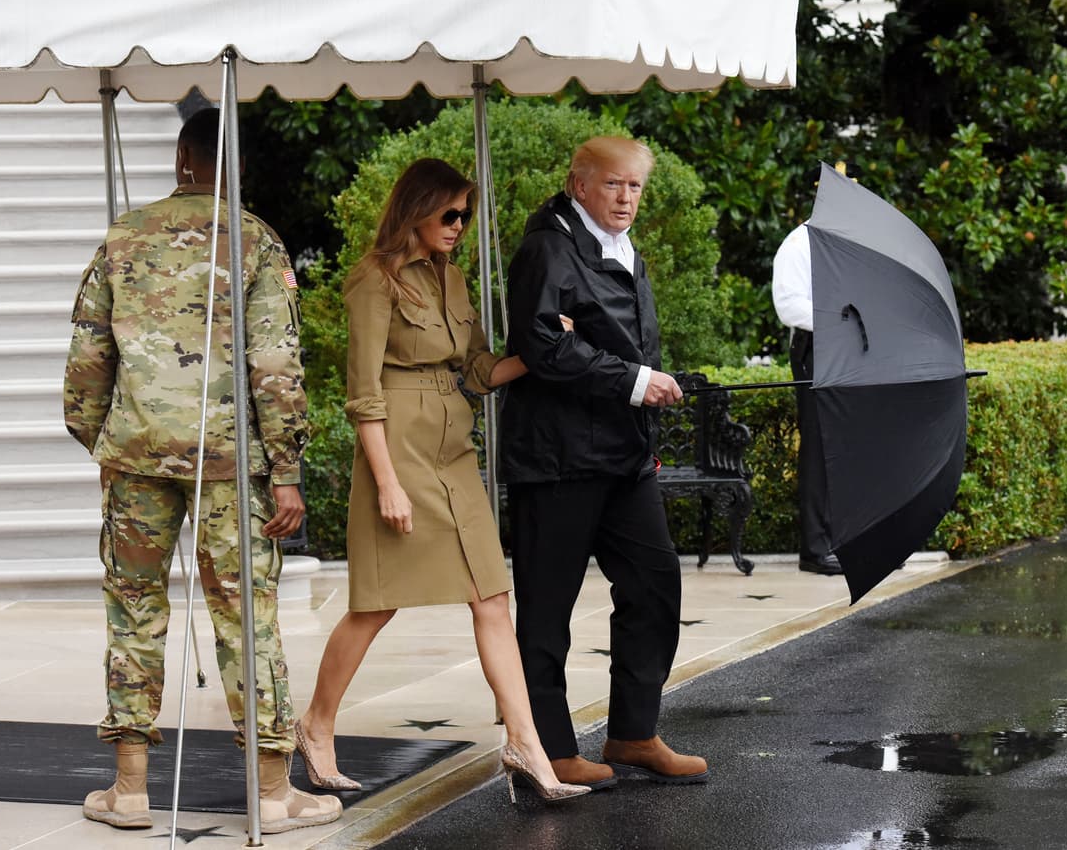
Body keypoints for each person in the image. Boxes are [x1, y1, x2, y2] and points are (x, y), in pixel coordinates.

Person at [62, 108, 342, 834]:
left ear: (183, 157)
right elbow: (275, 366)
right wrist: (285, 467)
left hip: (136, 455)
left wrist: (102, 438)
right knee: (247, 617)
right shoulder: (254, 240)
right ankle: (274, 794)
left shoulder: (124, 235)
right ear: (235, 165)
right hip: (229, 462)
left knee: (133, 612)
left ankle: (128, 790)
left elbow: (89, 358)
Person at [293, 158, 588, 804]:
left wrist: (545, 348)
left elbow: (479, 370)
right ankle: (315, 726)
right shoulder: (374, 281)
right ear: (415, 210)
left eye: (464, 215)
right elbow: (363, 396)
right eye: (448, 214)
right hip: (396, 449)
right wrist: (387, 483)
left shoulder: (454, 281)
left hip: (453, 450)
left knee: (492, 597)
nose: (458, 226)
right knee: (375, 604)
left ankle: (525, 743)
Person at [500, 136, 710, 788]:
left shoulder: (622, 249)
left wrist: (636, 381)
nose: (625, 198)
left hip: (622, 454)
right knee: (547, 610)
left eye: (635, 187)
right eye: (614, 185)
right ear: (579, 184)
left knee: (654, 585)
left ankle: (633, 733)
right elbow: (540, 344)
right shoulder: (549, 248)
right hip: (558, 458)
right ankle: (551, 747)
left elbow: (598, 338)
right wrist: (631, 380)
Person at [771, 221, 843, 576]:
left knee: (851, 446)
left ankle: (847, 542)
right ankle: (816, 548)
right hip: (819, 348)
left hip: (854, 350)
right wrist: (841, 318)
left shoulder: (855, 241)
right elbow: (789, 306)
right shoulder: (799, 243)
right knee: (819, 447)